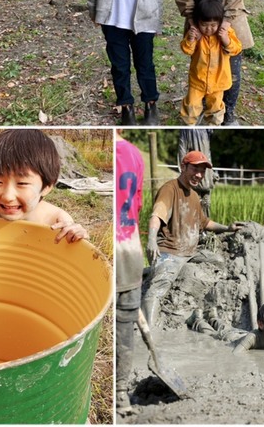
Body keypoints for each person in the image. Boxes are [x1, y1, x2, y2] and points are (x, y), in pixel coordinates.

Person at [141, 151, 243, 328]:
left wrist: (227, 228)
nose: (199, 175)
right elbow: (157, 215)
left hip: (191, 252)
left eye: (202, 171)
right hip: (170, 251)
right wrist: (151, 239)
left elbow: (205, 223)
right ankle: (148, 332)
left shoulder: (194, 196)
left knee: (217, 261)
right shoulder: (170, 188)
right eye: (195, 169)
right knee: (159, 287)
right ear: (183, 167)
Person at [0, 129, 88, 244]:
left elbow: (79, 253)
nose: (7, 196)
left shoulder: (57, 220)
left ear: (46, 187)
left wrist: (78, 235)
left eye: (22, 184)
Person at [115, 130, 145, 416]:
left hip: (112, 253)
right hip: (131, 252)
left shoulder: (119, 154)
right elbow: (137, 206)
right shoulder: (135, 154)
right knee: (124, 326)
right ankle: (121, 394)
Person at [179, 0, 242, 126]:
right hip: (198, 80)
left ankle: (214, 126)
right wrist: (191, 39)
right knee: (191, 105)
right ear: (197, 22)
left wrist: (225, 39)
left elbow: (236, 49)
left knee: (215, 107)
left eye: (213, 25)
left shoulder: (226, 32)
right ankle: (189, 124)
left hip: (218, 81)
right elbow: (187, 50)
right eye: (204, 25)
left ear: (220, 22)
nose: (209, 29)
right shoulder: (196, 34)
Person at [177, 129, 215, 216]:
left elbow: (207, 153)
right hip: (192, 181)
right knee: (192, 205)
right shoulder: (187, 131)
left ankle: (205, 227)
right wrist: (184, 171)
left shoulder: (206, 133)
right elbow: (182, 150)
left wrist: (211, 173)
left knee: (206, 203)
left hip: (206, 181)